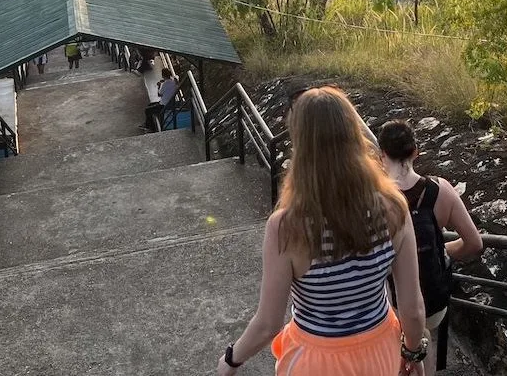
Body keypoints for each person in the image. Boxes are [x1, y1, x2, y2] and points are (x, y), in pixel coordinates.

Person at [216, 86, 428, 376]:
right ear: (354, 136)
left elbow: (268, 323)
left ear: (300, 144)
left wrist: (231, 359)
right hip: (380, 352)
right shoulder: (393, 208)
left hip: (315, 360)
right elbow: (412, 307)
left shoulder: (287, 227)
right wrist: (412, 352)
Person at [378, 120, 483, 376]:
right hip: (433, 302)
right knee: (421, 345)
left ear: (381, 154)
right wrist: (444, 251)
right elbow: (474, 243)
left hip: (389, 305)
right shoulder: (440, 190)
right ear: (416, 151)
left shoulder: (374, 197)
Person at [140, 67, 177, 132]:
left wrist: (159, 86)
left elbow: (159, 94)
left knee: (147, 110)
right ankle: (147, 124)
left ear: (163, 75)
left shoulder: (165, 84)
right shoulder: (173, 82)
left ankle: (151, 128)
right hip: (169, 102)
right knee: (150, 105)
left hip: (163, 105)